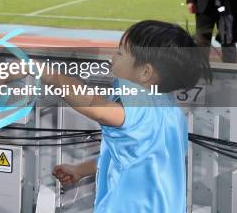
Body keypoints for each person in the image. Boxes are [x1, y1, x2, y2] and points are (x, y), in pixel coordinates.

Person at [47, 20, 211, 212]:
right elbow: (128, 158)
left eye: (120, 53)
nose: (112, 58)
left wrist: (42, 72)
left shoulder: (141, 107)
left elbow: (93, 106)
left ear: (145, 72)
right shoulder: (169, 110)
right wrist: (80, 170)